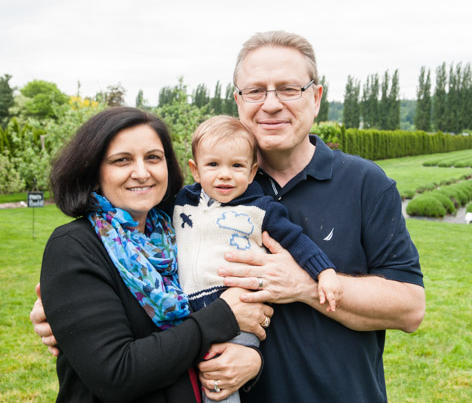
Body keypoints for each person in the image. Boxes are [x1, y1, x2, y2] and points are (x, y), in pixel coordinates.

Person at [32, 31, 426, 402]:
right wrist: (60, 308)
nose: (271, 103)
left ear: (317, 96)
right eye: (255, 90)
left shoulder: (365, 184)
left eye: (289, 88)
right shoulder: (191, 198)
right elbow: (121, 253)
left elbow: (409, 308)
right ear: (238, 99)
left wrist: (304, 286)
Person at [38, 106, 273, 402]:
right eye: (122, 160)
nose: (142, 172)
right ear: (94, 172)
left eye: (153, 158)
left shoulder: (176, 232)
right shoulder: (75, 246)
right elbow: (116, 374)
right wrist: (222, 317)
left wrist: (251, 360)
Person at [175, 115, 342, 403]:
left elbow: (296, 241)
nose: (225, 175)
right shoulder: (182, 203)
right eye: (213, 165)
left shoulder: (259, 209)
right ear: (195, 170)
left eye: (237, 166)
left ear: (252, 173)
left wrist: (325, 272)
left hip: (239, 316)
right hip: (189, 314)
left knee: (220, 384)